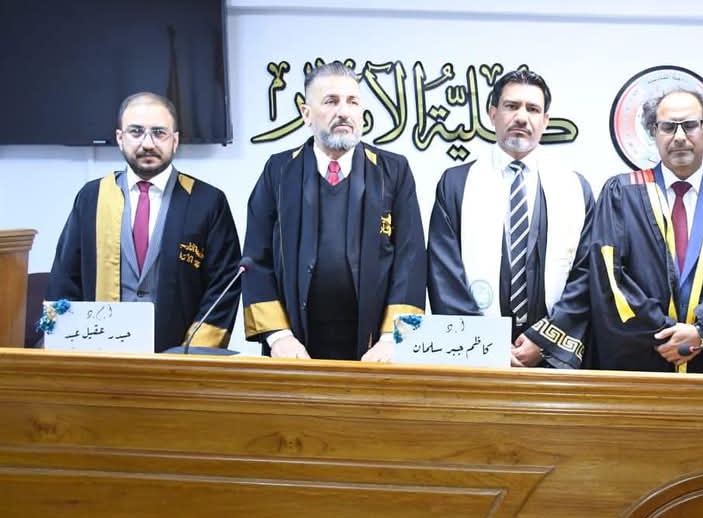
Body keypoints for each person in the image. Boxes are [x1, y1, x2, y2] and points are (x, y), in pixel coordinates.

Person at [242, 62, 426, 361]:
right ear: (306, 114)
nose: (344, 112)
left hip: (376, 349)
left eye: (352, 102)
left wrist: (394, 338)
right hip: (295, 348)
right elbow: (255, 259)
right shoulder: (279, 171)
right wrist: (278, 337)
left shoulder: (393, 171)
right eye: (331, 101)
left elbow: (411, 259)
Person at [588, 87, 703, 373]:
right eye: (668, 127)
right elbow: (609, 277)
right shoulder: (621, 193)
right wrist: (664, 333)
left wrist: (702, 331)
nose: (679, 136)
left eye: (690, 125)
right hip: (641, 362)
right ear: (653, 133)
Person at [47, 92, 241, 351]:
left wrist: (189, 353)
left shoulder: (207, 201)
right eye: (136, 132)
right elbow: (64, 279)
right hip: (101, 353)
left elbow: (223, 285)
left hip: (178, 358)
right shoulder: (92, 198)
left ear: (175, 140)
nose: (147, 143)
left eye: (159, 133)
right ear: (120, 138)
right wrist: (69, 348)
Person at [427, 69, 593, 368]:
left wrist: (544, 340)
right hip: (475, 356)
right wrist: (486, 346)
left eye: (533, 109)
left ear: (545, 121)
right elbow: (444, 274)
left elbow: (585, 274)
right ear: (493, 114)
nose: (521, 117)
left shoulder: (575, 187)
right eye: (511, 106)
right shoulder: (456, 183)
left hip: (550, 357)